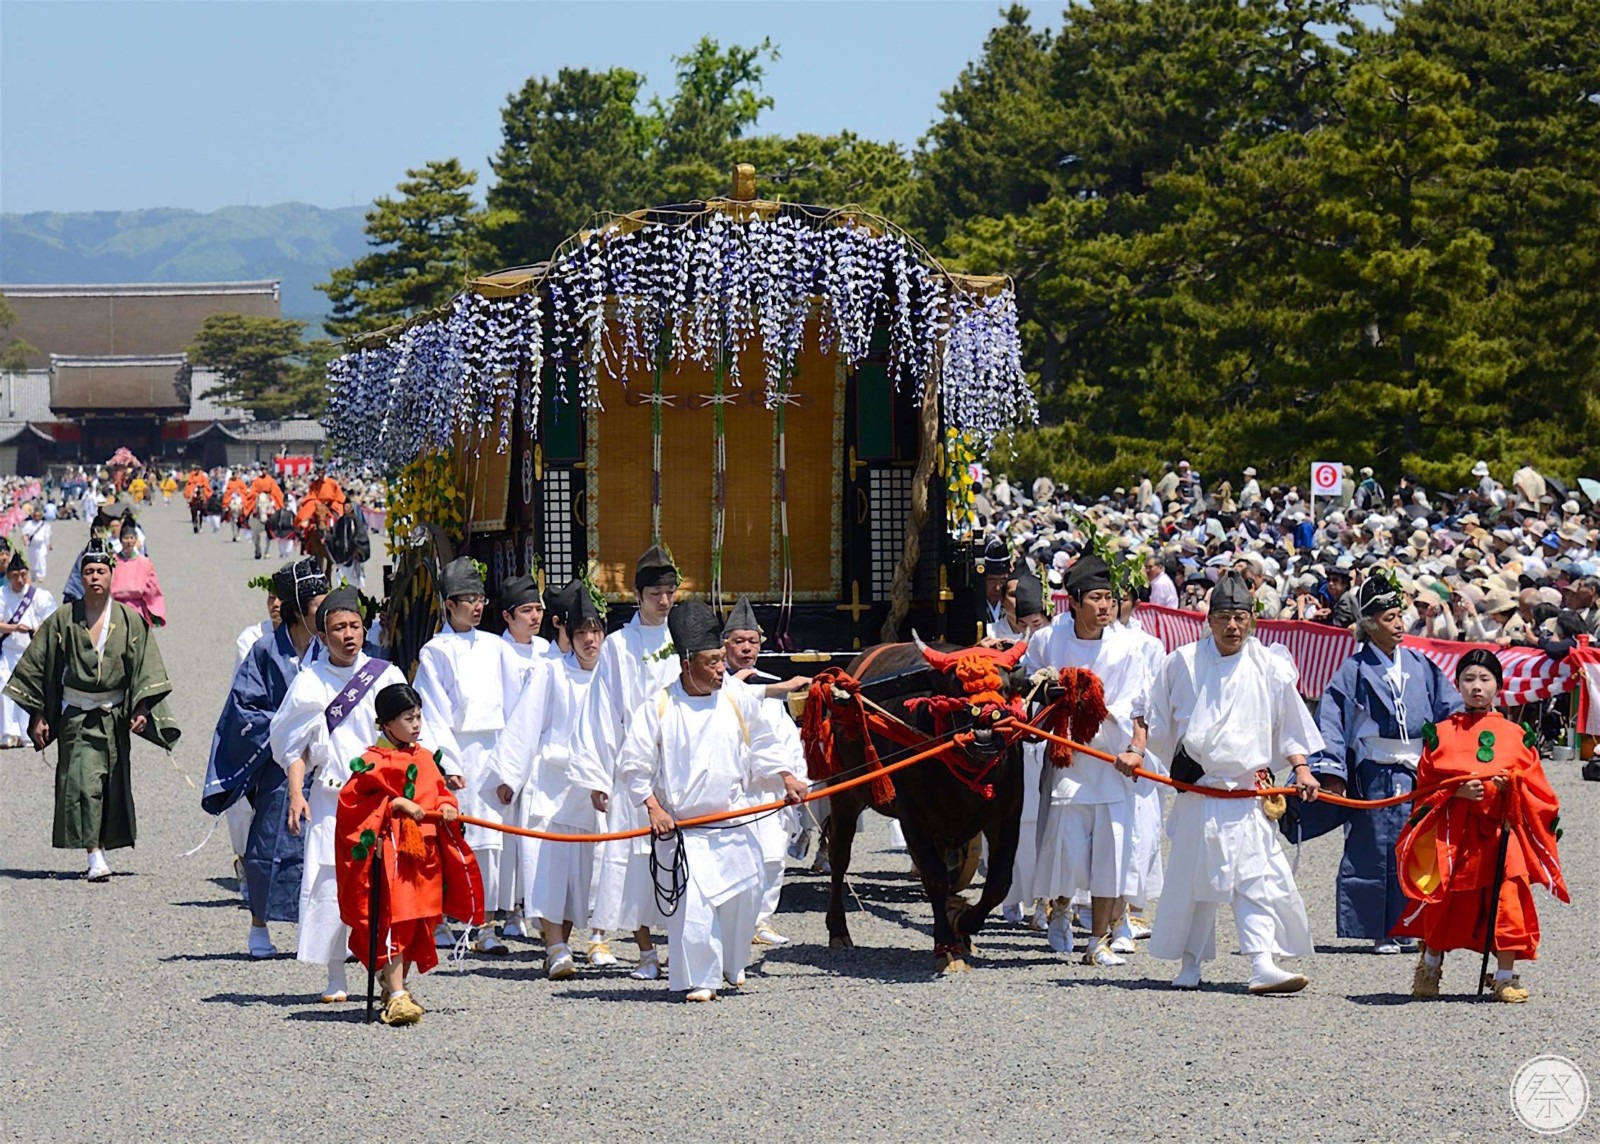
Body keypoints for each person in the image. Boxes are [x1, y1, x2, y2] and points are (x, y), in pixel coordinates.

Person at [617, 600, 807, 1002]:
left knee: (746, 896)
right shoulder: (659, 705)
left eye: (722, 660)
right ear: (687, 662)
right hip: (688, 829)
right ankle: (702, 980)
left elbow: (765, 746)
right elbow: (634, 765)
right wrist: (653, 807)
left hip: (735, 820)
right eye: (712, 662)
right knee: (697, 910)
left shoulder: (737, 697)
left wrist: (786, 777)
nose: (721, 669)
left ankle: (730, 966)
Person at [1143, 572, 1322, 994]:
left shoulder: (1269, 666)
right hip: (1201, 788)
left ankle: (1261, 962)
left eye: (1240, 617)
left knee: (1256, 877)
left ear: (1252, 619)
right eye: (1223, 617)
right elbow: (1154, 718)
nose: (1232, 627)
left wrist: (1301, 768)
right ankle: (1190, 963)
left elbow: (1289, 725)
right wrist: (1141, 752)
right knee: (1195, 881)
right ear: (1209, 620)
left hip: (1247, 792)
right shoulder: (1182, 662)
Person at [269, 587, 429, 1002]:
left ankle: (391, 969)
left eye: (355, 625)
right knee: (332, 880)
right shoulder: (310, 683)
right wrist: (295, 793)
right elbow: (296, 747)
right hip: (334, 798)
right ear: (323, 637)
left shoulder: (385, 674)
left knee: (388, 883)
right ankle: (335, 974)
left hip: (385, 800)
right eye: (338, 627)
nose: (348, 634)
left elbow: (412, 732)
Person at [1396, 650, 1567, 1003]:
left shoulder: (1517, 734)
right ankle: (1429, 966)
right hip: (1453, 834)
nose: (1477, 687)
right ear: (1457, 686)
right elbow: (1424, 789)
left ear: (1498, 687)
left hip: (1502, 833)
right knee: (1442, 899)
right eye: (1469, 679)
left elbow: (1539, 790)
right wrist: (1455, 791)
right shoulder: (1441, 734)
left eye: (1485, 679)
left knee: (1509, 898)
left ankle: (1505, 976)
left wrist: (1512, 789)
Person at [4, 540, 180, 881]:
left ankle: (100, 844)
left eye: (100, 570)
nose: (94, 577)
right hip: (76, 715)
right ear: (80, 577)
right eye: (88, 571)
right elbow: (37, 665)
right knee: (83, 783)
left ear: (111, 575)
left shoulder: (130, 620)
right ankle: (94, 854)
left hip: (113, 715)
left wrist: (142, 707)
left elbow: (146, 668)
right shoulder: (63, 620)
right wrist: (39, 713)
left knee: (109, 782)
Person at [1309, 576, 1463, 953]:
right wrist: (1332, 773)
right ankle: (1380, 929)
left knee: (1417, 845)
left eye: (1400, 616)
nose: (1398, 624)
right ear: (1369, 623)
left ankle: (1413, 923)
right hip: (1374, 768)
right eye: (1389, 617)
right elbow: (1330, 720)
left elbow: (1450, 710)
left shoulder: (1420, 664)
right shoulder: (1353, 669)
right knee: (1375, 848)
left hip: (1418, 768)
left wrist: (1460, 754)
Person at [1023, 554, 1154, 966]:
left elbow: (1140, 702)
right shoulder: (1049, 639)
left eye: (1109, 599)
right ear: (1073, 602)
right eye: (1095, 598)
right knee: (1068, 848)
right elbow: (1028, 684)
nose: (1105, 607)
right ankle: (1059, 908)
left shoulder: (1129, 646)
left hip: (1112, 759)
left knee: (1111, 852)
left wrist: (1135, 747)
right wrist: (1053, 695)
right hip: (1067, 759)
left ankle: (1097, 940)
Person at [335, 682, 481, 1026]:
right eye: (407, 718)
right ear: (386, 724)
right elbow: (352, 805)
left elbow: (442, 792)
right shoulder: (371, 763)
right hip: (392, 859)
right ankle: (398, 993)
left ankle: (395, 984)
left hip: (425, 856)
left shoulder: (426, 759)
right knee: (395, 919)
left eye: (418, 717)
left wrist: (446, 806)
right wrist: (393, 803)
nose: (416, 724)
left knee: (420, 921)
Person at [204, 559, 326, 957]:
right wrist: (292, 732)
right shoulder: (265, 650)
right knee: (270, 844)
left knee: (326, 848)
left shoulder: (331, 647)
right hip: (281, 761)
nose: (325, 615)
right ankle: (259, 924)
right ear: (295, 608)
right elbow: (245, 708)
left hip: (328, 763)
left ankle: (326, 930)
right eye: (316, 607)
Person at [570, 544, 681, 976]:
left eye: (670, 591)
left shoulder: (683, 637)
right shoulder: (618, 645)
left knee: (677, 855)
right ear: (638, 595)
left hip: (678, 761)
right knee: (635, 861)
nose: (664, 600)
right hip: (632, 763)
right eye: (655, 592)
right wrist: (598, 776)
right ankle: (646, 952)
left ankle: (680, 949)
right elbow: (600, 710)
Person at [492, 582, 606, 979]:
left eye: (595, 631)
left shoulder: (612, 675)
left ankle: (566, 941)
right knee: (549, 865)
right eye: (581, 633)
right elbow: (526, 724)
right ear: (570, 636)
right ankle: (555, 945)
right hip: (552, 785)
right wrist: (511, 774)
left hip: (594, 788)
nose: (589, 640)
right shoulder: (550, 672)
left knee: (583, 872)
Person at [410, 557, 525, 952]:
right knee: (450, 834)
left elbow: (516, 708)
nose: (476, 606)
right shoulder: (435, 651)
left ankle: (487, 924)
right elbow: (434, 713)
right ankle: (441, 918)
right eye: (467, 599)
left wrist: (511, 765)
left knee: (492, 842)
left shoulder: (496, 646)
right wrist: (448, 763)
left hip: (494, 752)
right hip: (457, 752)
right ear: (448, 604)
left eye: (480, 598)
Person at [718, 594, 811, 947]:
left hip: (771, 787)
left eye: (752, 642)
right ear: (725, 645)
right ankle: (734, 923)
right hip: (737, 788)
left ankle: (762, 921)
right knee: (738, 861)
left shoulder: (772, 682)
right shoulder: (715, 685)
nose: (746, 649)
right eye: (739, 641)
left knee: (772, 857)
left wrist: (797, 776)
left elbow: (787, 736)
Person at [998, 569, 1051, 928]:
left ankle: (1046, 903)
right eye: (1026, 622)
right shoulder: (999, 646)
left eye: (1038, 621)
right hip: (1016, 747)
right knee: (1014, 827)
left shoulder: (1056, 642)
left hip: (1047, 744)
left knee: (1047, 830)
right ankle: (1009, 897)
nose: (1033, 629)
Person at [0, 550, 56, 749]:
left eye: (23, 575)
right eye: (15, 576)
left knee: (27, 691)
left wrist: (38, 628)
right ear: (8, 577)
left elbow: (50, 620)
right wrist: (14, 627)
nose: (20, 580)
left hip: (31, 652)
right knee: (4, 689)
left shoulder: (40, 595)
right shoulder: (2, 595)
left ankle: (26, 733)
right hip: (9, 650)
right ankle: (7, 733)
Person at [110, 519, 166, 627]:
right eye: (126, 538)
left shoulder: (144, 562)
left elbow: (153, 588)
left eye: (132, 538)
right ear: (121, 540)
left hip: (137, 608)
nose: (129, 541)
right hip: (116, 607)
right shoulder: (113, 560)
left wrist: (155, 612)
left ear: (136, 540)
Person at [497, 573, 551, 678]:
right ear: (507, 616)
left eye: (539, 609)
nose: (535, 616)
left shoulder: (544, 647)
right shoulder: (498, 650)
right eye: (527, 610)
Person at [22, 506, 52, 580]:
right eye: (35, 516)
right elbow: (25, 533)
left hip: (42, 545)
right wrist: (25, 540)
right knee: (33, 562)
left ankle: (41, 576)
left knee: (42, 560)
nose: (37, 517)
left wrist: (50, 544)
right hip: (33, 546)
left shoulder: (45, 525)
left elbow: (48, 535)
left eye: (39, 516)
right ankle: (33, 575)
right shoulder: (29, 524)